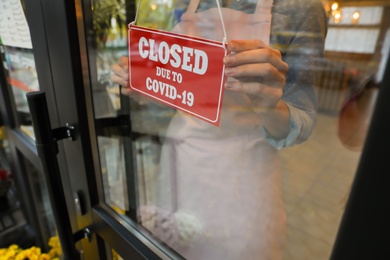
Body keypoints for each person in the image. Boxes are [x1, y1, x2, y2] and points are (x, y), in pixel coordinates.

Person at [111, 0, 327, 259]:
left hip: (244, 175)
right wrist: (146, 87)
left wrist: (269, 104)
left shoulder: (301, 7)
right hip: (180, 162)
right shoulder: (183, 3)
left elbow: (302, 119)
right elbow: (180, 90)